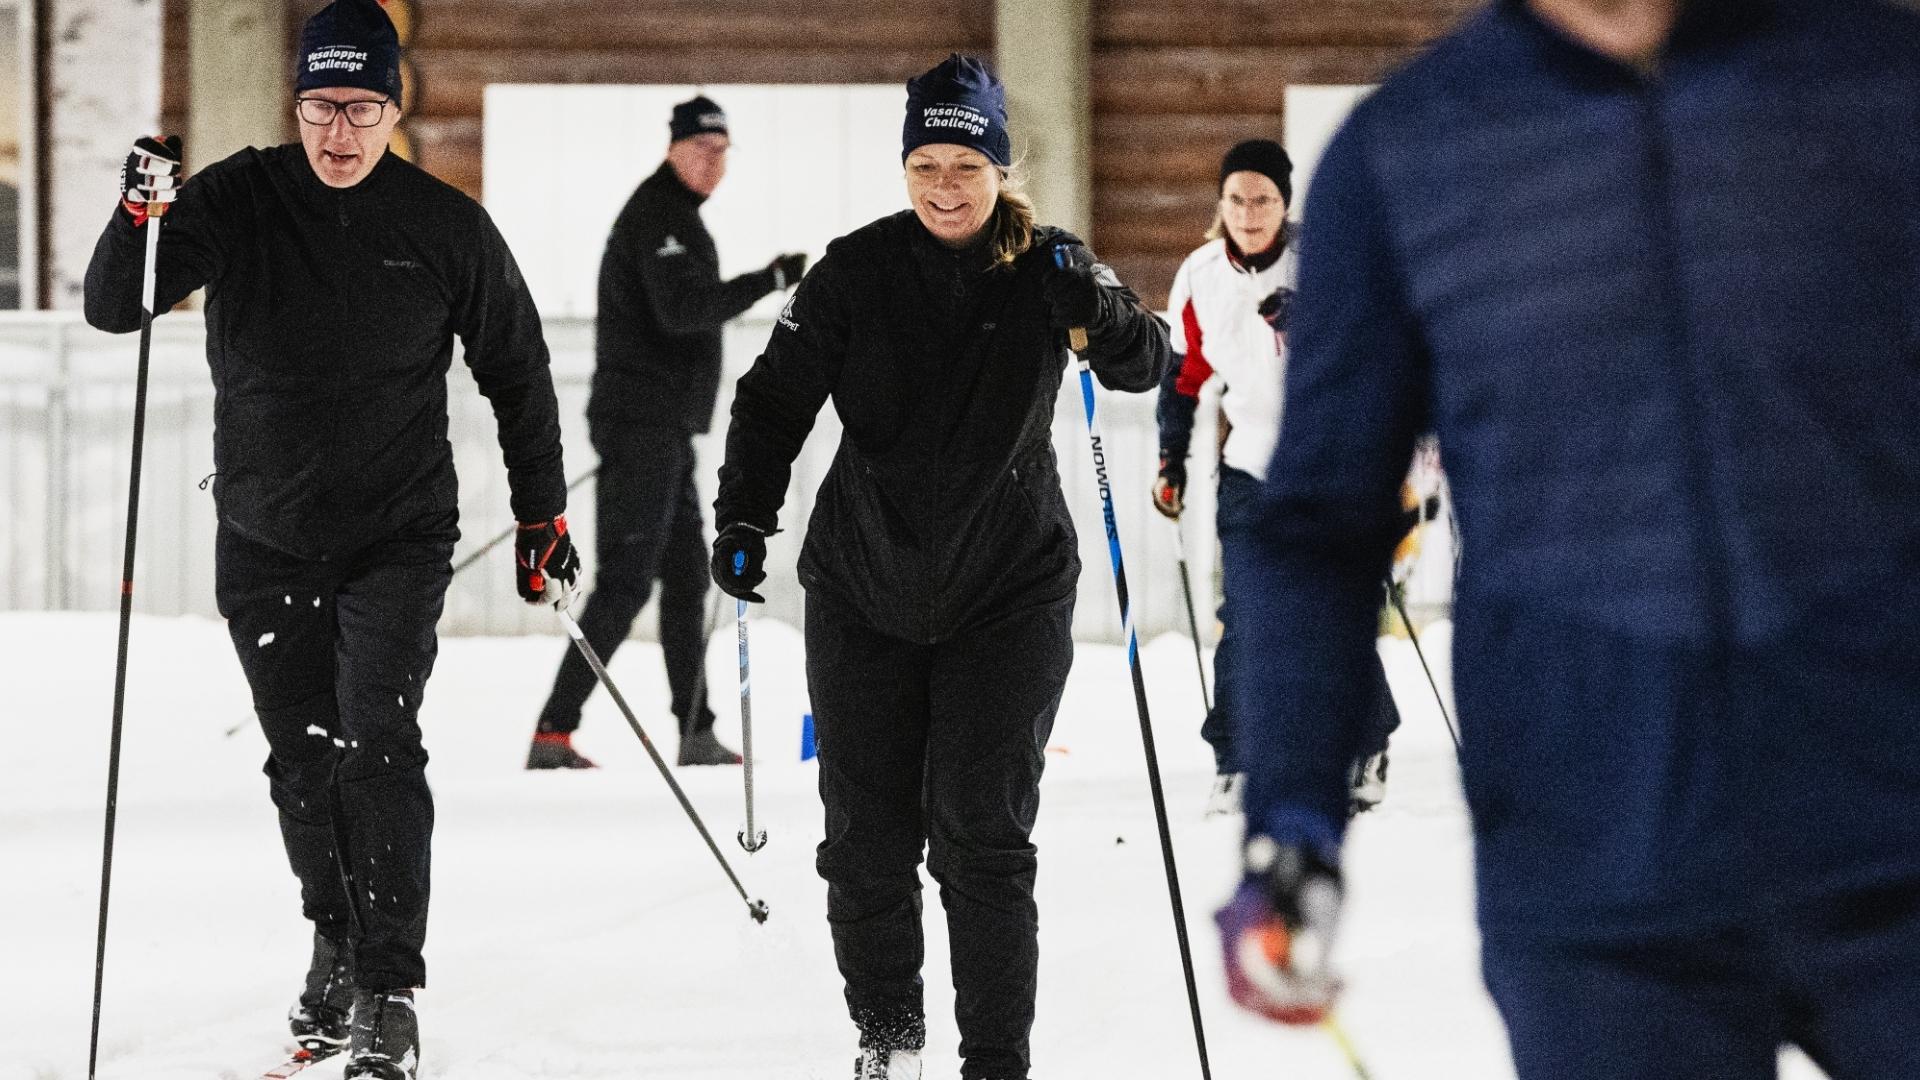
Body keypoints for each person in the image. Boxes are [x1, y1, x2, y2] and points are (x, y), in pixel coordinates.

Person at [1214, 1, 1920, 1077]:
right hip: (1597, 880)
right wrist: (1294, 811)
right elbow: (1321, 520)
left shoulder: (1884, 86)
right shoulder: (1412, 152)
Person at [83, 2, 579, 1076]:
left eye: (360, 108)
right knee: (302, 765)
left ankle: (391, 986)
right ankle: (336, 943)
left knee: (377, 742)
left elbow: (518, 366)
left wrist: (543, 512)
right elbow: (116, 309)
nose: (338, 133)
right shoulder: (239, 198)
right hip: (264, 532)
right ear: (294, 105)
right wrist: (137, 213)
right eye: (319, 107)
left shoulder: (443, 226)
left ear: (394, 109)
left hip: (396, 536)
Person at [710, 54, 1169, 1080]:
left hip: (1007, 594)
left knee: (980, 836)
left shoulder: (1046, 267)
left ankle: (995, 1060)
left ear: (1000, 167)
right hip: (862, 590)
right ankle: (890, 1038)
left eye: (966, 163)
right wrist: (744, 516)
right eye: (925, 161)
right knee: (865, 845)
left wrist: (1097, 298)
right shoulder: (857, 270)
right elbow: (774, 399)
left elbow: (1148, 362)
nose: (945, 185)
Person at [526, 95, 806, 770]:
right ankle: (553, 733)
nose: (714, 165)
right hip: (640, 428)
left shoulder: (675, 216)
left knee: (685, 580)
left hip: (664, 431)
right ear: (674, 148)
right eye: (703, 150)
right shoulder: (659, 217)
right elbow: (683, 311)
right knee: (626, 582)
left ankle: (694, 730)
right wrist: (767, 280)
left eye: (723, 153)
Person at [1152, 139, 1399, 817]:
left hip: (1330, 458)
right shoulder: (1201, 275)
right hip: (1250, 460)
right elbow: (1185, 376)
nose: (1249, 211)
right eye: (1236, 198)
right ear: (1221, 205)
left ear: (1285, 203)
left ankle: (1365, 745)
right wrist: (1171, 459)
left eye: (1263, 198)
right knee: (1247, 615)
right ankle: (1234, 760)